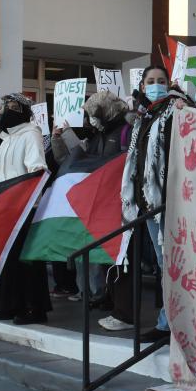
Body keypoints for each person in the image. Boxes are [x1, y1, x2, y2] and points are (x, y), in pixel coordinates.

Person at [107, 65, 189, 341]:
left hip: (170, 202)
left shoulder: (175, 111)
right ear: (142, 87)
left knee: (172, 265)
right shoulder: (144, 118)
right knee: (164, 265)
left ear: (170, 84)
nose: (156, 85)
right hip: (148, 204)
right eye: (151, 81)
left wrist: (188, 103)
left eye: (161, 81)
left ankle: (169, 324)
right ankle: (168, 322)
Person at [0, 94, 50, 325]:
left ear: (19, 112)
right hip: (7, 209)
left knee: (26, 261)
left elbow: (37, 169)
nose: (2, 113)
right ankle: (10, 304)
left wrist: (21, 193)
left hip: (24, 208)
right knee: (8, 260)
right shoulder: (8, 139)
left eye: (8, 108)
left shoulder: (31, 134)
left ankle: (33, 308)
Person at [52, 90, 130, 303]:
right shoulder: (99, 136)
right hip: (96, 200)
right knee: (92, 251)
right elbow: (76, 160)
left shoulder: (125, 132)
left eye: (93, 114)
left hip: (115, 201)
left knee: (106, 253)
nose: (91, 120)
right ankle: (94, 293)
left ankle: (104, 294)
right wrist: (60, 139)